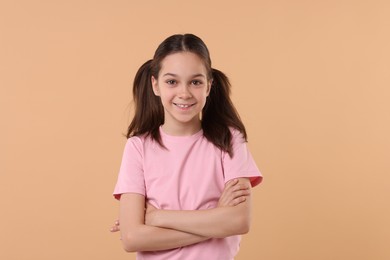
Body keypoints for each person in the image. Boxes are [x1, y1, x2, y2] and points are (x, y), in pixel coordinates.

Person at [110, 33, 262, 260]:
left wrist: (158, 217)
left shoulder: (229, 140)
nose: (184, 93)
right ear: (156, 85)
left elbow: (239, 221)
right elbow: (132, 238)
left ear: (209, 86)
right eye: (172, 81)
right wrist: (214, 219)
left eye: (196, 82)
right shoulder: (138, 148)